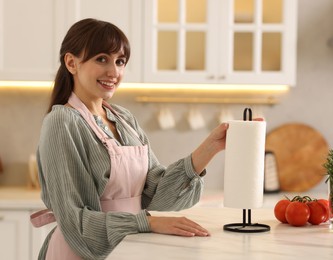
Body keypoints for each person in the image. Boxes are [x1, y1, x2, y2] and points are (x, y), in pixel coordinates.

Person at [31, 18, 229, 260]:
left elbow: (156, 193)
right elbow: (74, 219)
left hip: (126, 247)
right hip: (80, 252)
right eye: (101, 59)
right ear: (71, 63)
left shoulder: (123, 118)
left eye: (120, 61)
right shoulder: (62, 123)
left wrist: (212, 146)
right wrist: (148, 223)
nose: (114, 72)